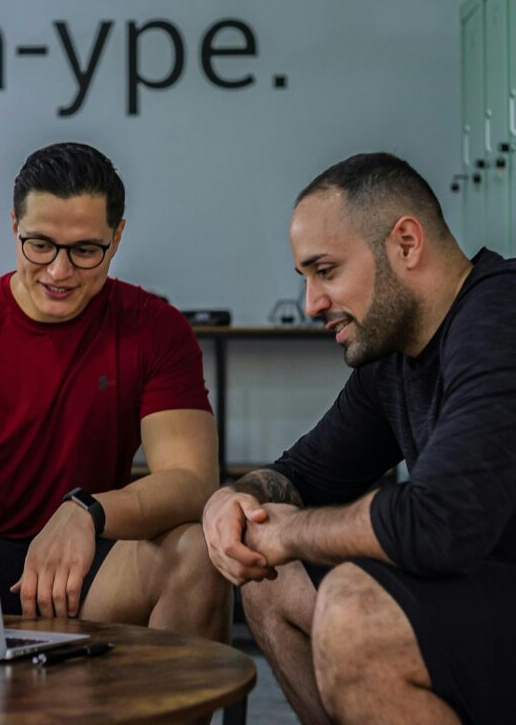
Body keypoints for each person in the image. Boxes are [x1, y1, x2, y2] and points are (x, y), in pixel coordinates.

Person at [0, 141, 230, 642]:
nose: (58, 271)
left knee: (199, 554)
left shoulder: (155, 331)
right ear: (14, 227)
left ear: (116, 239)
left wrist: (87, 512)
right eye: (40, 245)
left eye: (85, 251)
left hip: (86, 562)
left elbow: (190, 480)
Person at [202, 152, 516, 724]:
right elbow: (300, 474)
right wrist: (234, 498)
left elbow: (441, 520)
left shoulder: (501, 315)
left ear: (405, 243)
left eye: (326, 271)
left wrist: (294, 532)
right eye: (305, 279)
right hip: (480, 598)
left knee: (356, 610)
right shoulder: (392, 359)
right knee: (268, 577)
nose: (311, 304)